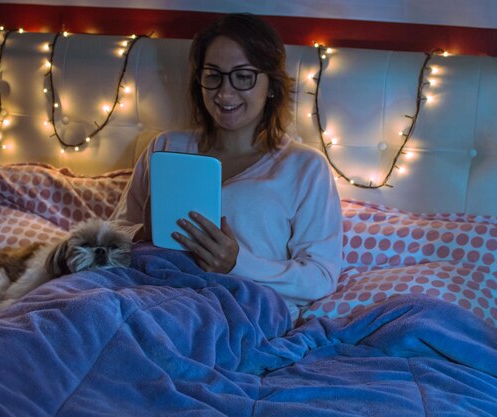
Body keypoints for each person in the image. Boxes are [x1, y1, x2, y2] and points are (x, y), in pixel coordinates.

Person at [110, 13, 343, 321]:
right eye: (213, 75)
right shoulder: (166, 148)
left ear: (271, 85)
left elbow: (320, 277)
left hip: (237, 311)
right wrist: (143, 233)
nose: (224, 92)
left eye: (243, 76)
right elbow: (113, 232)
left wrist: (237, 263)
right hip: (147, 292)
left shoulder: (305, 167)